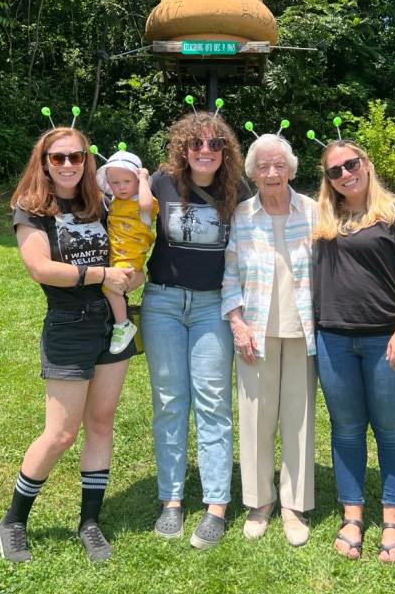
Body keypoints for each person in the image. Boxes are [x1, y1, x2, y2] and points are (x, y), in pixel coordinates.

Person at [0, 126, 139, 564]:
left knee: (101, 422)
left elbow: (126, 252)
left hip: (112, 324)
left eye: (77, 157)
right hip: (68, 325)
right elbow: (39, 267)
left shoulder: (102, 202)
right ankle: (12, 522)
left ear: (87, 160)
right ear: (44, 162)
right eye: (58, 158)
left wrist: (130, 275)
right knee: (60, 433)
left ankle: (89, 522)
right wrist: (100, 277)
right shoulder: (32, 209)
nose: (69, 165)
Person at [313, 140, 395, 565]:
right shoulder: (324, 217)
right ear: (328, 180)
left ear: (367, 163)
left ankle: (394, 518)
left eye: (351, 164)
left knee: (392, 428)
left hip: (385, 339)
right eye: (335, 171)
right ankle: (352, 515)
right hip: (334, 339)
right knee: (345, 429)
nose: (346, 174)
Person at [140, 111, 250, 549]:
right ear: (183, 148)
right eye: (197, 144)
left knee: (213, 401)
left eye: (215, 145)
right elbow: (123, 210)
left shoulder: (237, 191)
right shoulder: (161, 184)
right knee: (169, 401)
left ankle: (216, 505)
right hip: (163, 302)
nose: (206, 152)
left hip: (211, 307)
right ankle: (171, 501)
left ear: (226, 152)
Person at [222, 134, 317, 547]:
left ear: (291, 170)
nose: (272, 173)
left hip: (304, 330)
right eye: (263, 167)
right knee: (256, 418)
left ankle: (294, 504)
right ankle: (260, 501)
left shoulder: (313, 211)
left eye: (279, 165)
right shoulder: (242, 215)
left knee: (298, 419)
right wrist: (237, 323)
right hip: (254, 330)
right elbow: (229, 273)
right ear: (253, 173)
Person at [95, 150, 158, 354]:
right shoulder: (115, 202)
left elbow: (147, 204)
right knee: (108, 286)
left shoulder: (143, 204)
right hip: (115, 257)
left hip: (130, 260)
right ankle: (118, 321)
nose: (121, 187)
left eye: (126, 181)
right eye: (115, 183)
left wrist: (144, 179)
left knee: (110, 288)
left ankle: (123, 324)